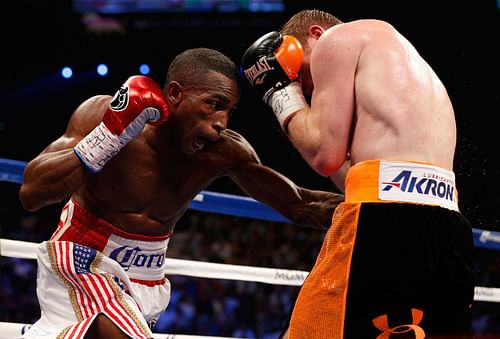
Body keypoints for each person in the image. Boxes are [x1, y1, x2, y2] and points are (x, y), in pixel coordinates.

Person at [18, 47, 344, 339]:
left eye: (230, 110)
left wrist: (371, 204)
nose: (221, 121)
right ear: (175, 94)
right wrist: (108, 136)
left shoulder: (223, 152)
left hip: (147, 280)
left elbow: (301, 205)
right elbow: (32, 193)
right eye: (214, 105)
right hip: (82, 259)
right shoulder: (102, 114)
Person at [241, 9, 476, 339]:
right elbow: (349, 172)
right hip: (447, 230)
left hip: (385, 227)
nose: (306, 86)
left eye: (301, 74)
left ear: (315, 34)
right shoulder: (410, 71)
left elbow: (323, 155)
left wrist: (281, 93)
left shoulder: (335, 41)